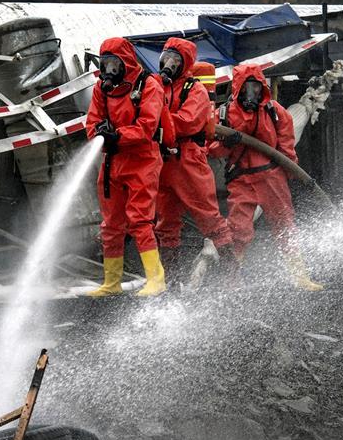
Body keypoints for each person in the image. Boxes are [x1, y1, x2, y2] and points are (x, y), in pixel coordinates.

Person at [208, 64, 324, 291]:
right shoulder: (224, 114)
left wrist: (292, 172)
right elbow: (211, 148)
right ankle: (231, 281)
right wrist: (225, 143)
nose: (251, 93)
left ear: (263, 88)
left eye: (256, 87)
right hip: (241, 179)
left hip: (272, 176)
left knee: (285, 226)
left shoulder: (275, 112)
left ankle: (300, 277)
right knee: (238, 230)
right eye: (247, 87)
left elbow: (287, 148)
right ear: (237, 88)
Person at [83, 37, 167, 297]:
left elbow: (147, 127)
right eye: (105, 63)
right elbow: (91, 123)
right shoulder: (102, 89)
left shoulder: (148, 85)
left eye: (114, 63)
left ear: (126, 62)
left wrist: (118, 135)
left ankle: (156, 279)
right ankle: (112, 283)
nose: (109, 69)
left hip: (142, 160)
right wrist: (100, 132)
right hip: (112, 163)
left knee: (140, 221)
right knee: (111, 225)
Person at [154, 38, 234, 278]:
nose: (168, 64)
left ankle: (232, 274)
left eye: (175, 60)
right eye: (166, 58)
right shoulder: (155, 86)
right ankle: (170, 281)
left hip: (188, 160)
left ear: (185, 63)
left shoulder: (195, 90)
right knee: (165, 224)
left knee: (209, 219)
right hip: (162, 162)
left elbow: (188, 121)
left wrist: (155, 122)